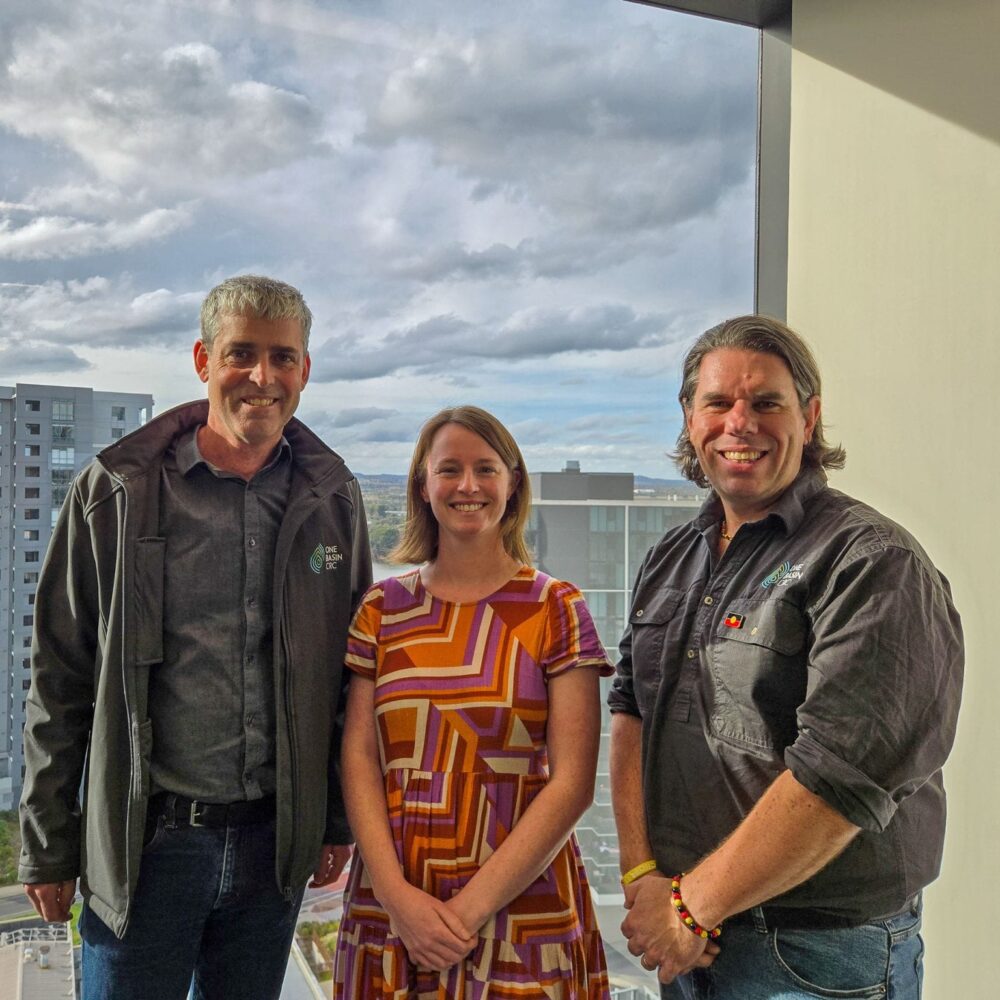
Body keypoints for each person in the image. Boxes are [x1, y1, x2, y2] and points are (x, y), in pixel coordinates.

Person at [18, 275, 372, 1000]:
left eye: (283, 357)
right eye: (242, 353)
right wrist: (47, 844)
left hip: (273, 850)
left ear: (305, 370)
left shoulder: (332, 498)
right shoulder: (114, 491)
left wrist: (333, 818)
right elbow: (61, 676)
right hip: (147, 849)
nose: (262, 377)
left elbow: (348, 675)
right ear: (202, 360)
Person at [608, 315, 963, 1000]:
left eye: (766, 402)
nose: (739, 422)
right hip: (689, 939)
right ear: (689, 418)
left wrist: (688, 907)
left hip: (814, 957)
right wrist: (642, 878)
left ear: (810, 415)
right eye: (718, 403)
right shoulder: (672, 556)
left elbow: (838, 779)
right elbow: (630, 709)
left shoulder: (871, 562)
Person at [332, 405, 611, 999]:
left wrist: (466, 912)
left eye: (486, 469)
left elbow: (574, 783)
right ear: (422, 484)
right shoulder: (382, 611)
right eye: (449, 469)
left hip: (523, 904)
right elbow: (358, 757)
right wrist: (396, 896)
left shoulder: (555, 608)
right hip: (395, 905)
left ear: (512, 485)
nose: (468, 486)